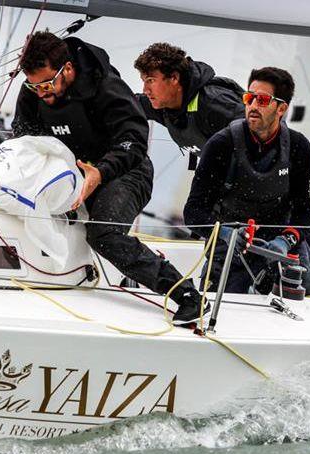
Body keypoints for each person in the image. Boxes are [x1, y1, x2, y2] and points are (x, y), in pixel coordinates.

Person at [11, 31, 208, 326]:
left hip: (125, 171)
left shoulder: (105, 86)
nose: (41, 93)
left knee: (103, 234)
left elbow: (135, 139)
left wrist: (100, 171)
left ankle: (185, 294)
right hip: (70, 175)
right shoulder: (35, 88)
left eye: (48, 84)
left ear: (67, 68)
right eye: (34, 86)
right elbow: (24, 135)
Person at [183, 67, 310, 294]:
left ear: (282, 108)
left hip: (278, 245)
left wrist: (286, 240)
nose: (252, 106)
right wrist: (225, 233)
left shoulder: (299, 148)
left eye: (262, 100)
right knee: (218, 305)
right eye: (249, 98)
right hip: (230, 246)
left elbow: (308, 211)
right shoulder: (221, 144)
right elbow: (193, 212)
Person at [133, 42, 244, 170]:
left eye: (151, 81)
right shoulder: (164, 104)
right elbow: (126, 104)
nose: (145, 90)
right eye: (144, 82)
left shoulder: (215, 103)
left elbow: (261, 136)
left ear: (174, 78)